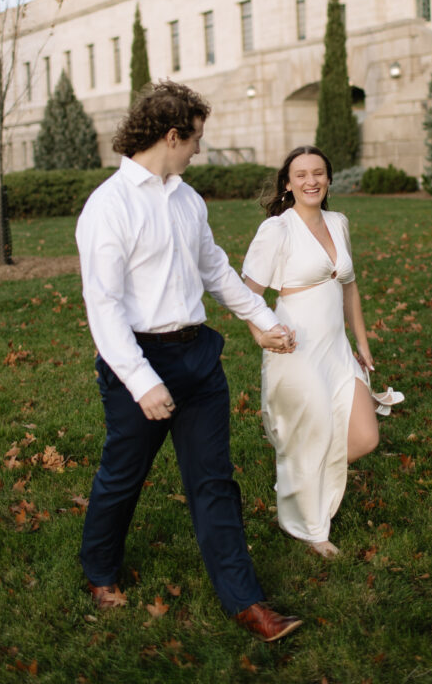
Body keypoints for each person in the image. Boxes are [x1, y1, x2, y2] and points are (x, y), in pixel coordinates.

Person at [75, 81, 302, 642]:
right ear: (171, 135)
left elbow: (215, 269)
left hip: (198, 357)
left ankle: (245, 601)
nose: (199, 149)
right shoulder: (109, 206)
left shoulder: (187, 198)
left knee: (215, 482)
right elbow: (102, 306)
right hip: (137, 360)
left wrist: (261, 318)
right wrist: (140, 380)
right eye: (195, 138)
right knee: (123, 477)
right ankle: (99, 572)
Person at [242, 146, 403, 558]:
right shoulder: (277, 230)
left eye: (318, 173)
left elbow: (348, 286)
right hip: (295, 349)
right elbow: (249, 294)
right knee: (311, 434)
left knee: (365, 437)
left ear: (329, 179)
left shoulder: (338, 222)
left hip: (336, 349)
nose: (310, 181)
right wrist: (261, 335)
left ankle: (299, 477)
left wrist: (361, 343)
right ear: (287, 183)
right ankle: (312, 529)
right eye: (301, 175)